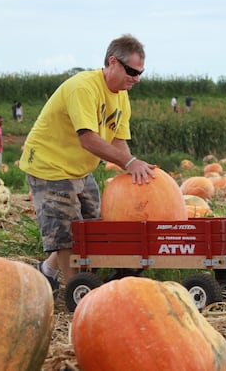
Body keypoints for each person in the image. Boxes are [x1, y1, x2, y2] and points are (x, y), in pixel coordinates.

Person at [19, 34, 155, 291]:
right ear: (112, 62)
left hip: (80, 170)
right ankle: (75, 291)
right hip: (50, 165)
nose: (136, 79)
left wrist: (133, 171)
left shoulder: (121, 95)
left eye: (140, 73)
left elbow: (118, 141)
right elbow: (88, 140)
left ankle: (46, 271)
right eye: (131, 71)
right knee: (66, 233)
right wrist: (130, 163)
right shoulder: (84, 87)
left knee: (92, 229)